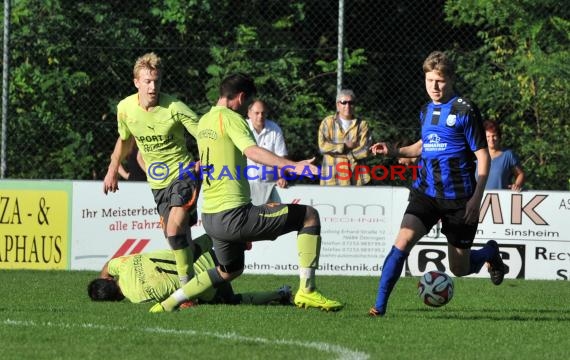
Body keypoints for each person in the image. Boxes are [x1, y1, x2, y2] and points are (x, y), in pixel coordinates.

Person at [149, 73, 343, 313]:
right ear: (240, 97)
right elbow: (252, 151)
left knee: (230, 270)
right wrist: (293, 166)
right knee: (309, 216)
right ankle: (308, 291)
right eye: (248, 103)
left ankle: (168, 304)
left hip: (211, 217)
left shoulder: (206, 120)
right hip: (234, 215)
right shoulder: (232, 119)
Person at [368, 51, 509, 317]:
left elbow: (482, 156)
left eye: (440, 81)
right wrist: (393, 150)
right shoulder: (425, 111)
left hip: (459, 199)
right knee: (402, 242)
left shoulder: (465, 111)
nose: (434, 86)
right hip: (427, 193)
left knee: (459, 268)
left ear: (451, 80)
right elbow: (422, 146)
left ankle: (490, 251)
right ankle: (379, 306)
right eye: (429, 80)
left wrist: (476, 199)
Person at [102, 52, 201, 287]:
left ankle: (185, 289)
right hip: (158, 184)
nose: (153, 86)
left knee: (176, 228)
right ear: (136, 82)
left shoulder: (175, 107)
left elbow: (205, 134)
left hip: (183, 173)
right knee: (175, 237)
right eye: (147, 81)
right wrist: (112, 168)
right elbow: (125, 139)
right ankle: (220, 245)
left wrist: (203, 160)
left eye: (156, 80)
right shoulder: (125, 108)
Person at [87, 237, 292, 307]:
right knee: (189, 248)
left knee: (233, 300)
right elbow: (108, 265)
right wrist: (103, 276)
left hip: (207, 284)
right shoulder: (123, 266)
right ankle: (236, 239)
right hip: (206, 255)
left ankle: (281, 293)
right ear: (108, 279)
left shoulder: (136, 298)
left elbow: (173, 298)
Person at [318, 89, 371, 186]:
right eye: (344, 102)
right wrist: (345, 146)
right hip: (332, 178)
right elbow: (322, 147)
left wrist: (336, 152)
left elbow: (365, 149)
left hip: (357, 179)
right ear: (337, 105)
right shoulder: (327, 122)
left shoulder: (362, 125)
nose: (347, 106)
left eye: (351, 103)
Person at [246, 99, 288, 205]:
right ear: (249, 113)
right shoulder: (242, 127)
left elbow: (281, 157)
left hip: (269, 186)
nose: (260, 116)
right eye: (257, 113)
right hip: (244, 184)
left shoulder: (275, 129)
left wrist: (281, 177)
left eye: (263, 113)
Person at [483, 120, 525, 191]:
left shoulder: (508, 155)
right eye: (488, 136)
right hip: (479, 200)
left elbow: (520, 174)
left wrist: (517, 185)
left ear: (499, 137)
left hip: (502, 200)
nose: (491, 139)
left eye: (494, 136)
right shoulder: (477, 156)